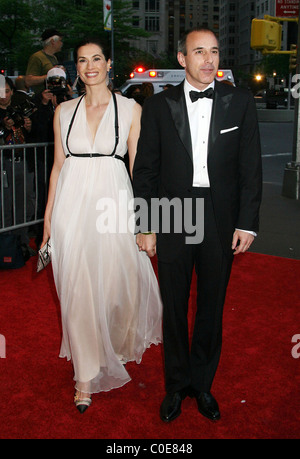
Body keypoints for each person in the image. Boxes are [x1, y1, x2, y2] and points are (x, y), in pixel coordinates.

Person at [133, 27, 262, 423]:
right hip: (173, 213)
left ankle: (202, 384)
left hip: (221, 216)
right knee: (173, 306)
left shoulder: (239, 101)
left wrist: (247, 223)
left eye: (215, 52)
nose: (209, 60)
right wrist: (145, 224)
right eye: (199, 52)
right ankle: (176, 386)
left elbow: (250, 168)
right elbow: (146, 171)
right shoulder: (158, 106)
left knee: (212, 304)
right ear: (181, 58)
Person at [41, 37, 162, 413]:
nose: (89, 66)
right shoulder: (63, 112)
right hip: (70, 209)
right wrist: (47, 222)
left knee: (115, 285)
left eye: (96, 59)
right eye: (82, 60)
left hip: (116, 206)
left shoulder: (130, 109)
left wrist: (148, 223)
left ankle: (114, 343)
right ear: (75, 67)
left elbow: (140, 169)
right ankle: (85, 376)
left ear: (109, 64)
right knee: (77, 289)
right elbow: (58, 167)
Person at [0, 77, 35, 260]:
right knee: (5, 206)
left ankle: (22, 244)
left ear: (12, 91)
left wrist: (28, 127)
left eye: (6, 91)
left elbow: (33, 135)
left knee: (25, 205)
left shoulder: (18, 111)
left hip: (23, 163)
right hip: (4, 165)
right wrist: (4, 129)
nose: (3, 95)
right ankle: (6, 246)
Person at [25, 29, 63, 94]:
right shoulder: (37, 57)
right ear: (53, 41)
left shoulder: (54, 58)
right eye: (60, 40)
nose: (61, 43)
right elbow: (28, 81)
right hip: (42, 98)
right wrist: (50, 76)